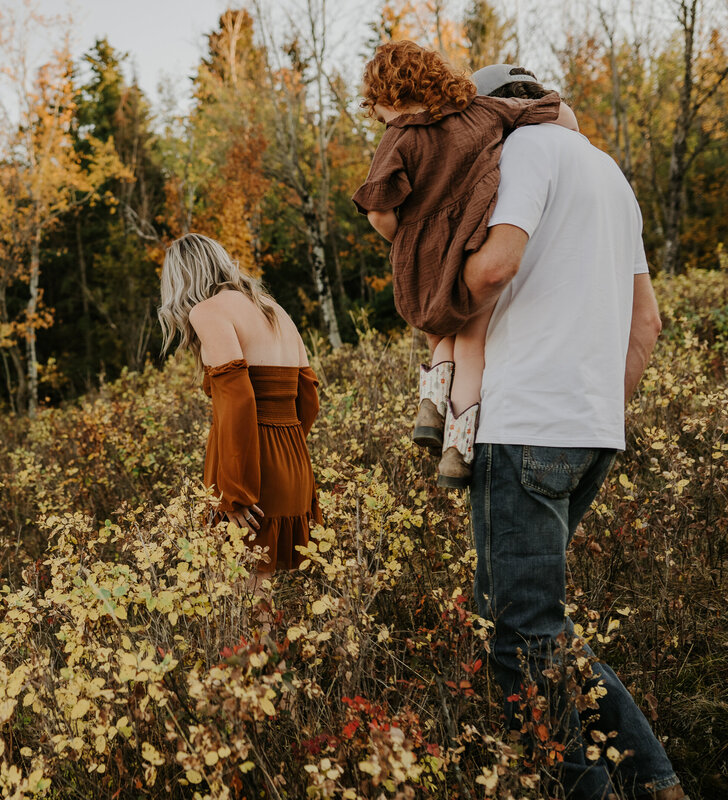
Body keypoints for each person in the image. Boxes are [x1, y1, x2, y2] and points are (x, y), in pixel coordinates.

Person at [463, 63, 684, 800]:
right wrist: (598, 419)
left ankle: (621, 787)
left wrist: (429, 284)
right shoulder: (610, 176)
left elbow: (493, 270)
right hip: (589, 431)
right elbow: (646, 323)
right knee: (536, 631)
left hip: (526, 421)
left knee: (521, 640)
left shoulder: (522, 153)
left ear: (496, 113)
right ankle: (643, 783)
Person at [351, 41, 578, 488]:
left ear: (390, 99)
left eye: (376, 111)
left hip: (426, 256)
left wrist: (408, 243)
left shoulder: (397, 138)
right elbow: (561, 114)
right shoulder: (482, 111)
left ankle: (431, 406)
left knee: (439, 331)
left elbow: (379, 211)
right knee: (472, 341)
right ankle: (457, 452)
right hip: (476, 240)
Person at [157, 232, 320, 576]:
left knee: (247, 601)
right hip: (294, 465)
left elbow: (238, 403)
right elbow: (308, 399)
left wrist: (234, 492)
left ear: (180, 280)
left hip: (250, 475)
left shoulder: (207, 311)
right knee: (287, 598)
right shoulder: (274, 309)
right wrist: (285, 450)